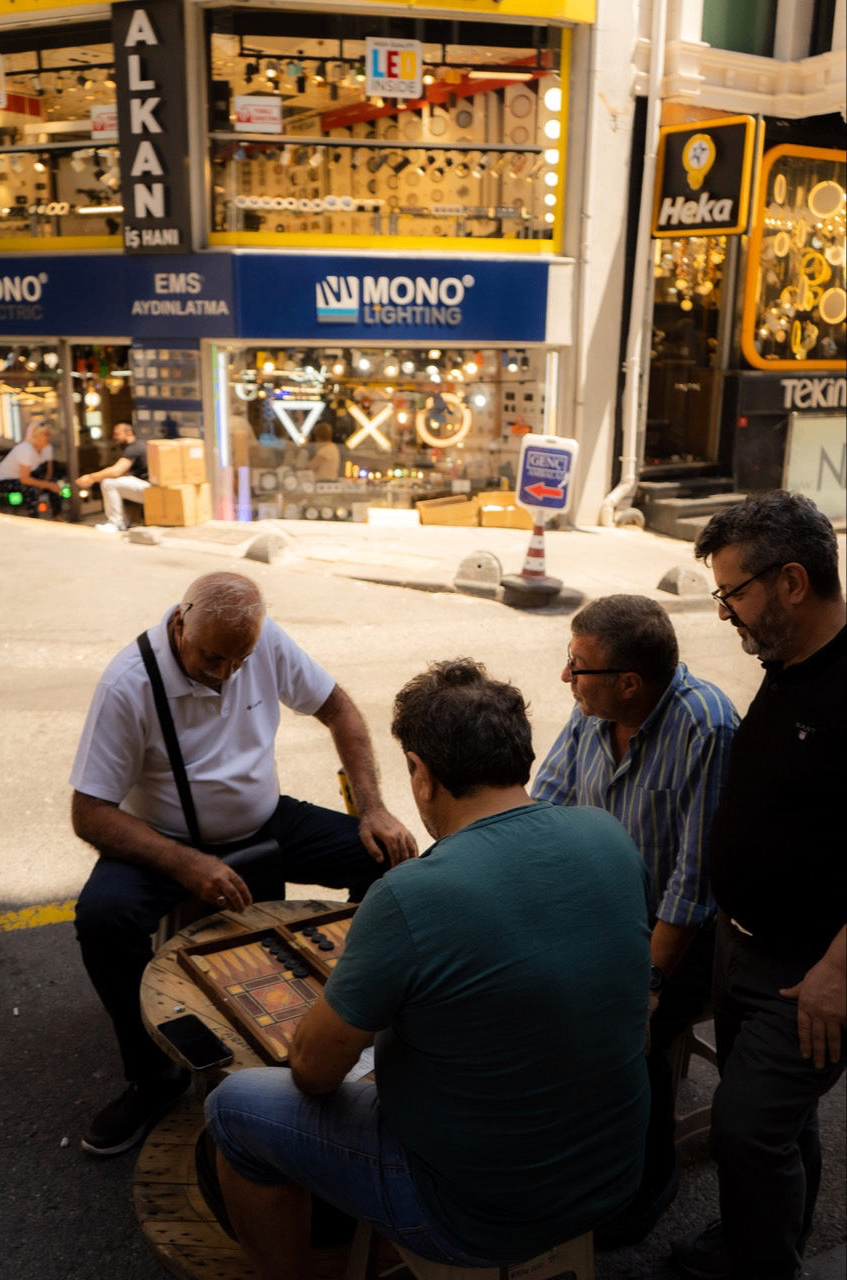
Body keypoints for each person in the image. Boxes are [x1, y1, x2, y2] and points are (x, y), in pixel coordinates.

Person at [205, 658, 653, 1280]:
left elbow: (311, 1071)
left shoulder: (411, 894)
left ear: (422, 775)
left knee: (232, 1107)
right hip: (613, 1177)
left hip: (470, 1214)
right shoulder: (609, 837)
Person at [71, 570, 416, 1157]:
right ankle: (154, 1076)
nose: (226, 672)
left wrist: (373, 808)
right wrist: (185, 864)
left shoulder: (258, 640)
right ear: (181, 623)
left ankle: (355, 1029)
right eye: (212, 657)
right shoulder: (129, 684)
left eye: (239, 658)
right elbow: (91, 812)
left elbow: (340, 711)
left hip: (265, 818)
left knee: (390, 863)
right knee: (102, 918)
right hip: (168, 838)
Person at [672, 491, 846, 1280]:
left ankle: (763, 1266)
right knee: (780, 1128)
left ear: (792, 583)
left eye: (733, 592)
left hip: (808, 971)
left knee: (744, 1131)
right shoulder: (784, 666)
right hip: (739, 948)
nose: (723, 613)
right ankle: (755, 1236)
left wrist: (835, 973)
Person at [532, 595, 738, 1246]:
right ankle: (564, 1150)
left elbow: (693, 878)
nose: (565, 678)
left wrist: (645, 984)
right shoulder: (592, 710)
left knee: (627, 1031)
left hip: (687, 931)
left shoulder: (704, 724)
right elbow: (548, 803)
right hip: (604, 911)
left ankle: (646, 1183)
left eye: (578, 666)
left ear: (628, 681)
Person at [76, 421, 150, 532]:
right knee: (112, 482)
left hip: (150, 490)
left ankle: (116, 523)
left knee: (108, 483)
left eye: (117, 434)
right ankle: (123, 522)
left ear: (129, 433)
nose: (115, 437)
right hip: (148, 488)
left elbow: (117, 471)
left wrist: (91, 477)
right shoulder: (137, 446)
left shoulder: (134, 448)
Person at [0, 422, 62, 517]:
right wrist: (46, 485)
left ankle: (57, 516)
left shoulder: (46, 448)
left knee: (54, 482)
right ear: (35, 436)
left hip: (23, 476)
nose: (48, 437)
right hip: (6, 481)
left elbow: (48, 470)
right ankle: (33, 519)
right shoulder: (26, 450)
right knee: (32, 489)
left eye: (48, 434)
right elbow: (24, 479)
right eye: (44, 435)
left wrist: (47, 484)